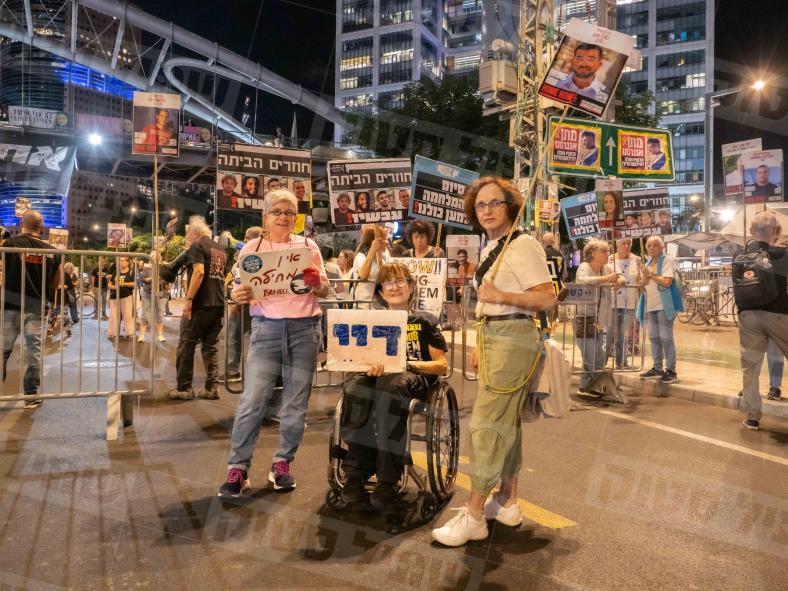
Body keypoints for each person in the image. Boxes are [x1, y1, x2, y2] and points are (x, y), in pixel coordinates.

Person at [431, 177, 555, 547]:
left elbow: (547, 298)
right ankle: (507, 501)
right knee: (506, 423)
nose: (486, 210)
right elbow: (490, 302)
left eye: (494, 203)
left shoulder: (523, 244)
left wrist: (500, 296)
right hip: (494, 338)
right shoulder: (494, 246)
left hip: (513, 339)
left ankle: (473, 515)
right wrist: (480, 342)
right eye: (480, 205)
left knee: (486, 425)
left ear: (509, 206)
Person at [218, 189, 329, 496]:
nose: (283, 217)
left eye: (289, 212)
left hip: (305, 330)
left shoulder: (308, 246)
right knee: (252, 400)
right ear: (265, 216)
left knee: (296, 403)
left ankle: (282, 464)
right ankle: (238, 468)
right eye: (277, 212)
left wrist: (317, 283)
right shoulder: (251, 248)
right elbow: (238, 289)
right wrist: (237, 294)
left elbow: (325, 289)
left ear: (296, 218)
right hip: (266, 329)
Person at [340, 262, 448, 509]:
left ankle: (387, 478)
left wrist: (407, 364)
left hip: (411, 377)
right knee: (355, 389)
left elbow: (441, 365)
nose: (394, 287)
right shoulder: (371, 320)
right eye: (387, 283)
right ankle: (356, 472)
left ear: (410, 286)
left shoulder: (424, 320)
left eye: (400, 281)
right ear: (380, 291)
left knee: (390, 390)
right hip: (377, 376)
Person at [1, 210, 60, 408]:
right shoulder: (52, 251)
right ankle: (31, 394)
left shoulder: (10, 244)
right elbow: (56, 283)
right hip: (36, 305)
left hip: (10, 304)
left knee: (3, 349)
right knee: (34, 351)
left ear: (21, 224)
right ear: (41, 226)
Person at [737, 211, 788, 430]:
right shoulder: (781, 254)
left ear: (751, 231)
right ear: (776, 231)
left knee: (750, 367)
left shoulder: (739, 256)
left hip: (748, 317)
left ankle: (753, 417)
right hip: (778, 315)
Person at [169, 217, 228, 400]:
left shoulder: (198, 245)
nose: (186, 238)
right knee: (210, 347)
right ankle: (212, 388)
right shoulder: (220, 249)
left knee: (186, 345)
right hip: (218, 303)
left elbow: (200, 272)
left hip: (200, 304)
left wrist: (189, 300)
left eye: (187, 235)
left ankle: (184, 388)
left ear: (195, 233)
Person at [575, 239, 621, 392]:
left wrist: (619, 281)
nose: (608, 254)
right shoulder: (584, 267)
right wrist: (607, 279)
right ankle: (597, 385)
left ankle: (586, 387)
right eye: (604, 251)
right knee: (591, 356)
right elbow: (582, 280)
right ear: (593, 253)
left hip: (602, 319)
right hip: (585, 319)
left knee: (599, 355)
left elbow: (620, 277)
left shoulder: (606, 267)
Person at [637, 235, 683, 384]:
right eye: (649, 246)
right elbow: (643, 284)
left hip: (663, 306)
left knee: (666, 338)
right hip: (650, 306)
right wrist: (644, 276)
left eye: (655, 245)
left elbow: (667, 282)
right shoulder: (649, 262)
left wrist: (650, 274)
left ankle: (671, 370)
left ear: (662, 247)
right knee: (654, 338)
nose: (651, 248)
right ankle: (657, 368)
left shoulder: (667, 260)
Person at [225, 226, 263, 382]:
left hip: (245, 303)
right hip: (253, 303)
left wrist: (236, 302)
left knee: (234, 336)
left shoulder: (250, 256)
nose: (244, 240)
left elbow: (242, 281)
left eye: (246, 237)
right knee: (256, 338)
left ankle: (233, 370)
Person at [608, 238, 641, 368]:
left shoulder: (637, 259)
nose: (626, 246)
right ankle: (602, 360)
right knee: (609, 332)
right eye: (623, 243)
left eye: (629, 244)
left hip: (630, 302)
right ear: (617, 244)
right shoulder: (610, 259)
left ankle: (622, 362)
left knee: (624, 333)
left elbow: (640, 279)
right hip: (613, 302)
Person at [352, 224, 391, 309]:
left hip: (381, 306)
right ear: (373, 242)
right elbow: (363, 276)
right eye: (383, 239)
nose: (387, 242)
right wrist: (372, 250)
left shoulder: (384, 257)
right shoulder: (361, 256)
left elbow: (384, 276)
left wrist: (379, 257)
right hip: (365, 306)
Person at [138, 252, 167, 343]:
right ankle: (142, 335)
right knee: (145, 315)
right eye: (153, 256)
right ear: (150, 258)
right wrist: (153, 278)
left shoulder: (164, 268)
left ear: (160, 258)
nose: (155, 257)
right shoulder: (146, 268)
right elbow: (141, 280)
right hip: (148, 293)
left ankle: (160, 335)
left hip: (161, 294)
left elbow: (169, 279)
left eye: (157, 256)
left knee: (160, 315)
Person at [107, 256, 135, 339]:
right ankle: (113, 333)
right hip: (114, 296)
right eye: (120, 260)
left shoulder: (131, 272)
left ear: (127, 262)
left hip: (126, 296)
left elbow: (134, 283)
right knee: (114, 316)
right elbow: (109, 284)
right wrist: (114, 287)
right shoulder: (116, 272)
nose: (121, 262)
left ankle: (129, 333)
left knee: (127, 315)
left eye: (123, 260)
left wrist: (122, 284)